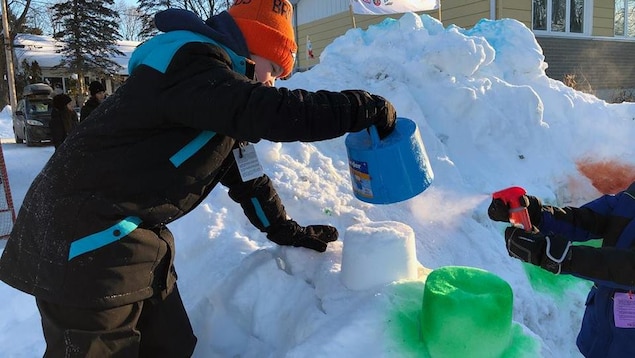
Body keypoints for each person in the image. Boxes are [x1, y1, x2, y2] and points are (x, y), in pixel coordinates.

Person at [0, 1, 397, 356]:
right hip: (83, 242)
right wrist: (360, 108)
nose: (272, 81)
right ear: (248, 48)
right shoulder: (190, 64)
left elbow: (247, 176)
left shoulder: (210, 99)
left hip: (128, 242)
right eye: (273, 68)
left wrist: (286, 231)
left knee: (173, 345)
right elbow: (270, 111)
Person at [488, 184, 635, 358]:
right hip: (604, 330)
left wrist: (563, 257)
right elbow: (586, 220)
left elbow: (628, 267)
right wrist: (536, 214)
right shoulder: (631, 197)